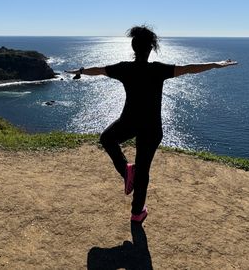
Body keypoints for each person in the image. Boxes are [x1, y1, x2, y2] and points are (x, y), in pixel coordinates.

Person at [67, 26, 237, 223]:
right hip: (152, 128)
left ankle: (126, 171)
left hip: (129, 122)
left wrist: (80, 70)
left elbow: (98, 70)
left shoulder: (124, 68)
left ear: (133, 47)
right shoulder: (158, 70)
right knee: (143, 170)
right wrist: (216, 64)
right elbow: (189, 68)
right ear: (150, 49)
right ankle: (137, 212)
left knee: (107, 139)